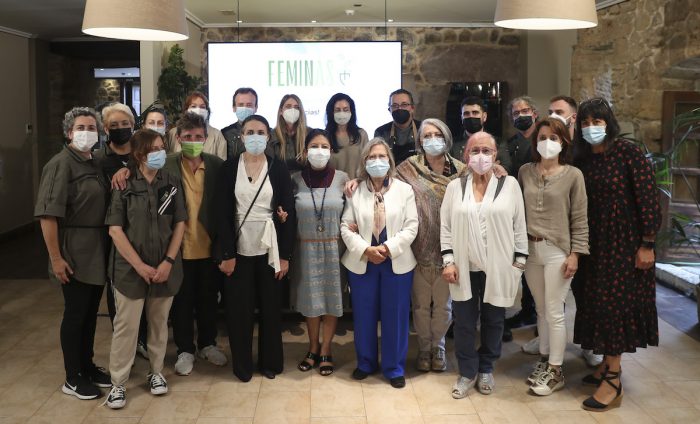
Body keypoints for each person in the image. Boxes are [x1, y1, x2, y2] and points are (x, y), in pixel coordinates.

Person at [572, 98, 661, 412]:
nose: (591, 127)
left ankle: (613, 379)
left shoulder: (628, 153)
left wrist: (647, 244)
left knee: (613, 308)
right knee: (594, 303)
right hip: (592, 246)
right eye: (585, 122)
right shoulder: (582, 157)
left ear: (609, 122)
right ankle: (604, 364)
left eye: (597, 121)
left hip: (623, 246)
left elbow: (648, 199)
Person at [103, 129, 187, 409]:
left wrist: (168, 262)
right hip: (129, 271)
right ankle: (118, 384)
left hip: (165, 269)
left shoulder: (172, 182)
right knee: (126, 327)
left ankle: (156, 372)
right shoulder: (123, 185)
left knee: (159, 324)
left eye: (163, 146)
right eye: (155, 148)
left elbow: (180, 224)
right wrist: (139, 266)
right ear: (140, 155)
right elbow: (115, 230)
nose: (162, 152)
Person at [440, 131, 527, 398]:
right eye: (474, 151)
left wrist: (519, 262)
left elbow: (519, 224)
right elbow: (446, 226)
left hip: (498, 265)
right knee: (464, 321)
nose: (480, 156)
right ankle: (468, 371)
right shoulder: (456, 187)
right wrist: (448, 260)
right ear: (465, 156)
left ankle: (487, 366)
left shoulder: (509, 184)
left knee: (494, 320)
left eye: (486, 151)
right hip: (464, 266)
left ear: (495, 155)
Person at [35, 107, 111, 400]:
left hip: (96, 247)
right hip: (74, 248)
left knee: (91, 313)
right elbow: (47, 215)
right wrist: (56, 258)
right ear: (69, 132)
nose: (87, 132)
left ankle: (88, 365)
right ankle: (73, 376)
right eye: (81, 127)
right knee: (76, 314)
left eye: (92, 127)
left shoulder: (94, 162)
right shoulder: (60, 164)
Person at [215, 114, 297, 382]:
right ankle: (242, 365)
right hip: (238, 247)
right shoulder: (228, 168)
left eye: (260, 132)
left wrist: (284, 256)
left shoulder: (278, 168)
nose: (255, 136)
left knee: (271, 309)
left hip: (270, 246)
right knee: (239, 310)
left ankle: (270, 362)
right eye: (249, 131)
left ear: (268, 137)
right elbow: (222, 214)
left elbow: (288, 212)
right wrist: (226, 254)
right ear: (241, 136)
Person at [518, 118, 589, 396]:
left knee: (554, 310)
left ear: (563, 143)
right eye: (542, 137)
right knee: (540, 308)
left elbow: (580, 218)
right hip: (530, 248)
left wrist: (575, 255)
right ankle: (545, 360)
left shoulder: (573, 175)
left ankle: (557, 370)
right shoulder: (525, 171)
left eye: (554, 138)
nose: (547, 142)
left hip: (557, 250)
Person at [340, 138, 418, 388]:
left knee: (395, 316)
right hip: (363, 262)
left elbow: (412, 226)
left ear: (390, 161)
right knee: (364, 315)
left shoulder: (404, 190)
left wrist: (387, 248)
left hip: (395, 261)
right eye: (372, 157)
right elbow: (345, 226)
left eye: (382, 157)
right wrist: (365, 249)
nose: (377, 161)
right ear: (364, 162)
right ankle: (365, 362)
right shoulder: (356, 190)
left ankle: (394, 367)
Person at [395, 118, 467, 372]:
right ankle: (424, 348)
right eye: (427, 135)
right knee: (421, 305)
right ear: (419, 141)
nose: (432, 139)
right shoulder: (407, 169)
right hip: (416, 248)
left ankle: (439, 347)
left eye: (437, 134)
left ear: (446, 138)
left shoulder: (461, 171)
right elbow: (385, 187)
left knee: (445, 306)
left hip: (450, 249)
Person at [165, 113, 228, 375]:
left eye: (198, 137)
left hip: (208, 245)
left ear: (206, 138)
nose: (193, 141)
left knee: (207, 299)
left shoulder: (216, 165)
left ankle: (207, 343)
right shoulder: (167, 164)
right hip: (178, 246)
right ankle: (184, 350)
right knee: (182, 301)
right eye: (187, 137)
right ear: (179, 139)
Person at [292, 129, 349, 376]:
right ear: (305, 151)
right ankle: (312, 347)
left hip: (335, 248)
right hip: (305, 248)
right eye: (314, 146)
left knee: (331, 301)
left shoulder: (344, 178)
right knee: (311, 301)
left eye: (324, 146)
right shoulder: (294, 179)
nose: (319, 151)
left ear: (331, 150)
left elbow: (352, 210)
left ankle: (326, 349)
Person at [501, 95, 539, 341]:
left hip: (540, 210)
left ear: (534, 113)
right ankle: (527, 310)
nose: (521, 115)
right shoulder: (511, 143)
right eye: (516, 113)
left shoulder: (544, 140)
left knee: (541, 268)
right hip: (517, 209)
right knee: (524, 264)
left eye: (525, 110)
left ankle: (540, 318)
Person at [167, 91, 227, 160]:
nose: (198, 110)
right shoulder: (173, 133)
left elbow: (222, 163)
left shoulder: (217, 135)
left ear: (207, 111)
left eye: (202, 107)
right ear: (186, 110)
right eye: (193, 106)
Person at [325, 93, 369, 179]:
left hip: (357, 187)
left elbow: (367, 163)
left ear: (351, 111)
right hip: (332, 188)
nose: (342, 113)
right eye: (337, 110)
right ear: (331, 112)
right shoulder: (325, 137)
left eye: (346, 109)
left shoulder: (362, 135)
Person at [374, 89, 422, 165]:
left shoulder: (423, 128)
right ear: (390, 110)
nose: (399, 108)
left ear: (412, 108)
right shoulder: (381, 132)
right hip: (392, 175)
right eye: (395, 105)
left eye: (404, 105)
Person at [268, 94, 309, 172]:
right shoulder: (271, 136)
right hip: (280, 182)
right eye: (288, 106)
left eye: (296, 107)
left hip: (304, 182)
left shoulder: (310, 134)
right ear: (281, 111)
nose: (293, 110)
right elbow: (271, 167)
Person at [222, 87, 259, 159]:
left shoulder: (268, 133)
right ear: (234, 108)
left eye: (249, 105)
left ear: (256, 107)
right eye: (241, 105)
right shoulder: (225, 134)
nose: (245, 108)